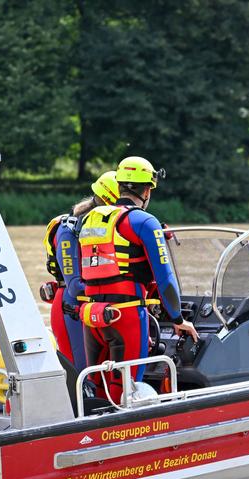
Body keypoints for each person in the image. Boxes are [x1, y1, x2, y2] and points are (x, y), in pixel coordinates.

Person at [79, 156, 197, 403]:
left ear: (119, 184)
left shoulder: (90, 219)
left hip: (92, 316)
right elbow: (165, 279)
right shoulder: (144, 221)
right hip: (127, 316)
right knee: (127, 389)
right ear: (146, 190)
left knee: (98, 386)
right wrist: (177, 319)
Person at [42, 171, 120, 372]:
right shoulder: (68, 231)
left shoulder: (108, 229)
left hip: (98, 307)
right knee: (82, 372)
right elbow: (75, 285)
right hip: (71, 309)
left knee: (103, 373)